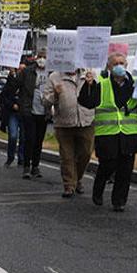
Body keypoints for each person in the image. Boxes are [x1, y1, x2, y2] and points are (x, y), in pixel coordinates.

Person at [79, 53, 137, 212]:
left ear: (126, 65)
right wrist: (88, 85)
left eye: (121, 63)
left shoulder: (135, 85)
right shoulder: (102, 85)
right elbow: (86, 102)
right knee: (108, 165)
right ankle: (99, 186)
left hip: (129, 134)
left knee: (125, 170)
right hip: (108, 134)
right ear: (109, 67)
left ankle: (119, 201)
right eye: (115, 64)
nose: (119, 66)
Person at [44, 67, 95, 198]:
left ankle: (77, 178)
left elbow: (97, 96)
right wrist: (55, 94)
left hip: (86, 121)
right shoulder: (54, 77)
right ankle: (69, 185)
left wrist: (92, 84)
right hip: (64, 123)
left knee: (86, 153)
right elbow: (45, 101)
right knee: (67, 156)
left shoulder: (89, 74)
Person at [17, 56, 48, 179]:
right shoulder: (28, 71)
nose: (42, 60)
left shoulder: (52, 72)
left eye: (44, 57)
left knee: (39, 140)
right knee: (29, 139)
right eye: (40, 57)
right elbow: (17, 85)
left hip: (44, 111)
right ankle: (26, 166)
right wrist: (13, 74)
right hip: (29, 110)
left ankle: (35, 165)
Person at [0, 67, 25, 167]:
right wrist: (11, 105)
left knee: (23, 137)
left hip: (23, 113)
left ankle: (21, 158)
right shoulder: (9, 83)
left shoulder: (26, 82)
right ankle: (10, 157)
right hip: (12, 113)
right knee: (13, 136)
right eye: (18, 69)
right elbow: (4, 96)